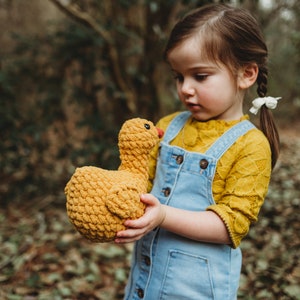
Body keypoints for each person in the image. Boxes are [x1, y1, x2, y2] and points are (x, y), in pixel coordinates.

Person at [115, 3, 281, 299]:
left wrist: (162, 216)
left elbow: (231, 225)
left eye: (200, 76)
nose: (185, 88)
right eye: (179, 76)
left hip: (196, 290)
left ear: (246, 74)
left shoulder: (251, 146)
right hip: (145, 281)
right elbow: (140, 180)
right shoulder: (168, 126)